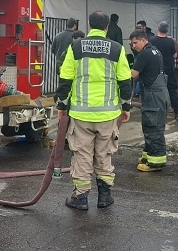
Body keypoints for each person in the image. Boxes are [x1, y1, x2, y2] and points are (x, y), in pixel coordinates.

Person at [56, 11, 132, 210]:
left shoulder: (76, 47)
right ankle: (105, 196)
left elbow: (66, 79)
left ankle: (80, 197)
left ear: (90, 26)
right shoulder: (117, 49)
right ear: (106, 27)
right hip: (108, 114)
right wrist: (126, 106)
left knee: (81, 154)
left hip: (81, 114)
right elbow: (125, 80)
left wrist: (62, 106)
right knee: (104, 153)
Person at [129, 29, 170, 172]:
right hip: (159, 94)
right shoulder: (155, 51)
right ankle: (148, 156)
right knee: (150, 125)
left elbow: (133, 74)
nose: (133, 46)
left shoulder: (144, 54)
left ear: (143, 40)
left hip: (153, 96)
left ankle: (156, 162)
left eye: (135, 43)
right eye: (131, 44)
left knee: (153, 128)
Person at [149, 21, 178, 121]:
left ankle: (156, 112)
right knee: (172, 90)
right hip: (168, 68)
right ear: (167, 30)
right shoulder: (171, 41)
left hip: (155, 69)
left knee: (155, 90)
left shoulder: (151, 40)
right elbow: (175, 55)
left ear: (158, 29)